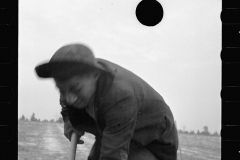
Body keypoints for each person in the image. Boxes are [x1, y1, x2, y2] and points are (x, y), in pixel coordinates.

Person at [35, 43, 179, 160]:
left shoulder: (120, 96)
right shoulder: (73, 85)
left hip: (153, 141)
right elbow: (66, 97)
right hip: (115, 128)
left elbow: (113, 156)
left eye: (76, 90)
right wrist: (68, 120)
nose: (70, 98)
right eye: (61, 90)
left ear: (95, 75)